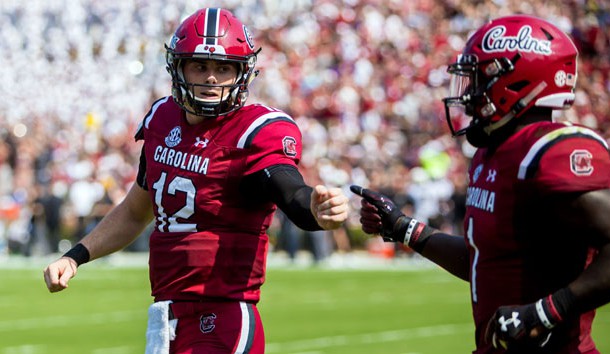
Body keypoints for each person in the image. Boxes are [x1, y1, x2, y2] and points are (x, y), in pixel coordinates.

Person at [43, 7, 349, 354]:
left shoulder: (255, 130)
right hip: (166, 315)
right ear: (178, 67)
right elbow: (134, 212)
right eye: (200, 65)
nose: (212, 77)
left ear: (242, 73)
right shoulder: (162, 118)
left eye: (223, 67)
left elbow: (288, 188)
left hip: (223, 316)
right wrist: (75, 256)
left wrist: (313, 208)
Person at [351, 14, 610, 354]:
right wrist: (403, 227)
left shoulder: (551, 151)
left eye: (479, 78)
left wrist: (548, 311)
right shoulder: (491, 154)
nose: (470, 93)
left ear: (517, 81)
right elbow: (485, 261)